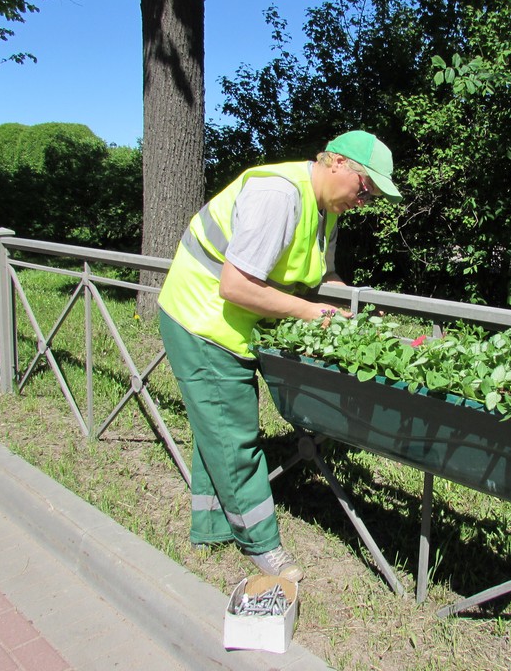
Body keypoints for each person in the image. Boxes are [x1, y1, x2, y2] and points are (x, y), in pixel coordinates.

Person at [157, 130, 401, 582]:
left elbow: (322, 275)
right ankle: (262, 545)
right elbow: (236, 286)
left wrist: (351, 305)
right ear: (336, 164)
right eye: (365, 187)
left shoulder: (326, 208)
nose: (365, 201)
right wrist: (311, 312)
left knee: (217, 427)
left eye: (372, 196)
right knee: (236, 434)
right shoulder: (278, 195)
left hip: (236, 319)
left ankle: (211, 528)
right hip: (202, 317)